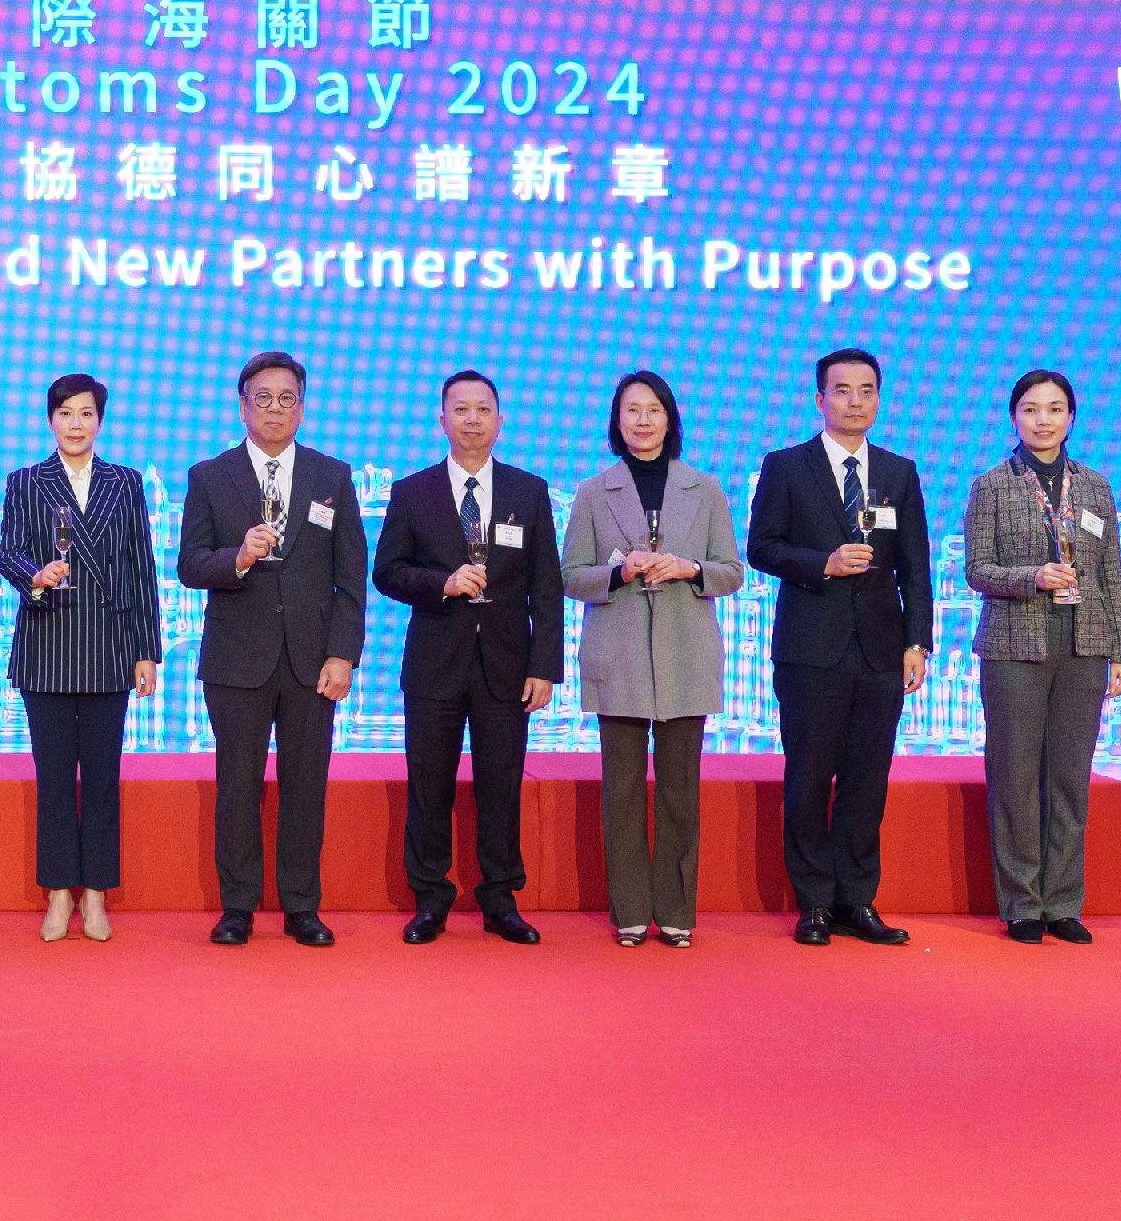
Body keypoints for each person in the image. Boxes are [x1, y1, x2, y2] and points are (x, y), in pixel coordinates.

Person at [178, 351, 366, 948]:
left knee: (306, 784)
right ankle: (237, 907)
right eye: (263, 397)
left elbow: (351, 575)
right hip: (237, 659)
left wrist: (344, 654)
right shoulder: (210, 475)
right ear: (243, 406)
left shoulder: (331, 476)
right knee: (238, 785)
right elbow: (189, 564)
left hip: (312, 662)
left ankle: (301, 906)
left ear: (303, 408)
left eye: (288, 398)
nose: (275, 409)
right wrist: (237, 557)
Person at [746, 348, 931, 949]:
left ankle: (858, 899)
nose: (855, 401)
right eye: (842, 390)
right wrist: (820, 563)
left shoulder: (899, 472)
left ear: (879, 398)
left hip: (880, 649)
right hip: (810, 649)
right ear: (819, 399)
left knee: (866, 780)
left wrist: (918, 641)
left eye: (867, 390)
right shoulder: (787, 466)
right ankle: (815, 903)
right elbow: (762, 547)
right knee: (808, 776)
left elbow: (916, 568)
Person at [373, 370, 565, 946]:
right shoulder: (413, 492)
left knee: (500, 783)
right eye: (461, 409)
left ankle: (500, 897)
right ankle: (430, 897)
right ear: (442, 421)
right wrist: (443, 582)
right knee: (428, 781)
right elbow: (387, 572)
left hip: (507, 664)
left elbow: (546, 586)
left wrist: (544, 665)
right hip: (435, 661)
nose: (473, 419)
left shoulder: (528, 492)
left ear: (500, 421)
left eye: (484, 409)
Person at [560, 371, 742, 948]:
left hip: (686, 656)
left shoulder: (704, 489)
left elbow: (731, 572)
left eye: (653, 409)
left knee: (680, 791)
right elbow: (570, 577)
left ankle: (677, 911)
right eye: (631, 410)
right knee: (622, 790)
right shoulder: (594, 492)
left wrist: (690, 569)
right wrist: (621, 571)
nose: (642, 420)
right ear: (617, 421)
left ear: (670, 418)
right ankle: (631, 911)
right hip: (618, 658)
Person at [962, 370, 1121, 945]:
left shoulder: (1094, 487)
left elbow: (1112, 573)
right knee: (1014, 777)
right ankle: (1021, 903)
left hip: (1084, 647)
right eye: (1032, 408)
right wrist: (1032, 577)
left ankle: (1063, 902)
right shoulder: (993, 485)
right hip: (1016, 648)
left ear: (1071, 417)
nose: (1043, 419)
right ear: (1014, 416)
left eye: (1055, 408)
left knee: (1069, 778)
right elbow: (977, 570)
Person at [0, 373, 159, 942]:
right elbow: (8, 552)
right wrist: (33, 577)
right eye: (65, 413)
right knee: (55, 779)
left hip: (110, 648)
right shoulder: (25, 482)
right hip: (47, 645)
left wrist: (147, 650)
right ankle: (58, 893)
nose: (75, 423)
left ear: (100, 421)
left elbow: (141, 568)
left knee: (103, 779)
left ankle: (97, 895)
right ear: (50, 420)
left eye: (86, 414)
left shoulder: (125, 483)